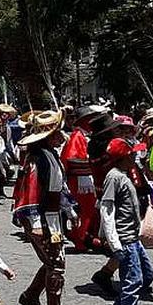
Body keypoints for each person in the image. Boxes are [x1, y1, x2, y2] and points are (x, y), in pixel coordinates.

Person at [12, 111, 81, 305]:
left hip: (52, 217)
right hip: (41, 219)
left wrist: (70, 211)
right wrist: (34, 225)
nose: (62, 136)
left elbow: (59, 187)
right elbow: (30, 192)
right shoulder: (37, 159)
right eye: (57, 132)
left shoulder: (51, 156)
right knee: (56, 264)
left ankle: (32, 295)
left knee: (52, 261)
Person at [98, 138, 153, 305]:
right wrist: (114, 244)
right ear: (125, 157)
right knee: (133, 282)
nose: (135, 156)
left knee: (146, 276)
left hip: (133, 237)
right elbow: (107, 211)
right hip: (124, 239)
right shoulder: (114, 178)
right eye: (132, 154)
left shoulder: (124, 175)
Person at [61, 105, 107, 252]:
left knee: (90, 210)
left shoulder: (85, 136)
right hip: (81, 181)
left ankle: (84, 235)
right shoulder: (77, 137)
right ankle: (79, 237)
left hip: (86, 179)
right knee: (85, 210)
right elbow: (71, 159)